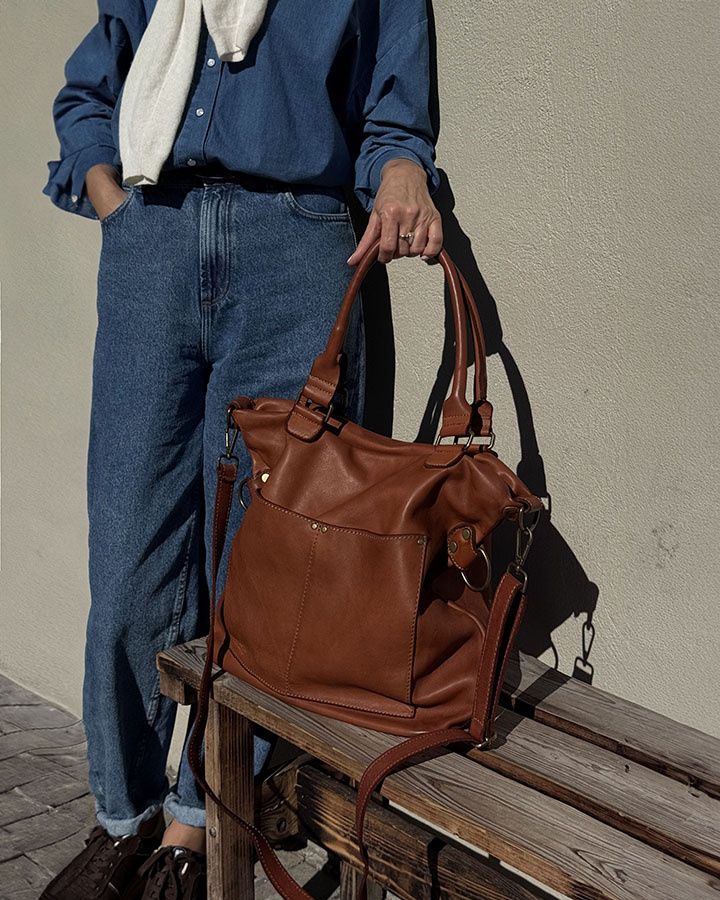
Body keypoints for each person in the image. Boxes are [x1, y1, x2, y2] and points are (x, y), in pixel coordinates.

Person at [39, 1, 443, 897]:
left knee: (268, 569)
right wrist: (112, 201)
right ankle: (126, 815)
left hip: (294, 245)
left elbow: (395, 107)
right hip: (153, 236)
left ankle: (197, 822)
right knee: (129, 563)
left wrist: (401, 167)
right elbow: (92, 89)